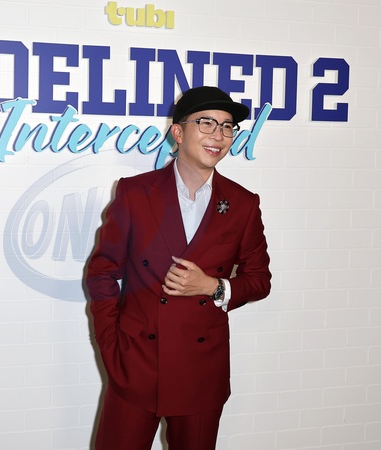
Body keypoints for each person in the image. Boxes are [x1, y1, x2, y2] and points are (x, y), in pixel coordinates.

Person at [85, 86, 272, 450]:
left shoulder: (242, 203)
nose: (218, 135)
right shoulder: (135, 193)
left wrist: (213, 286)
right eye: (206, 123)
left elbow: (259, 280)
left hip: (200, 370)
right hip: (136, 363)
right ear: (178, 132)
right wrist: (111, 344)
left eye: (227, 126)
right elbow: (102, 272)